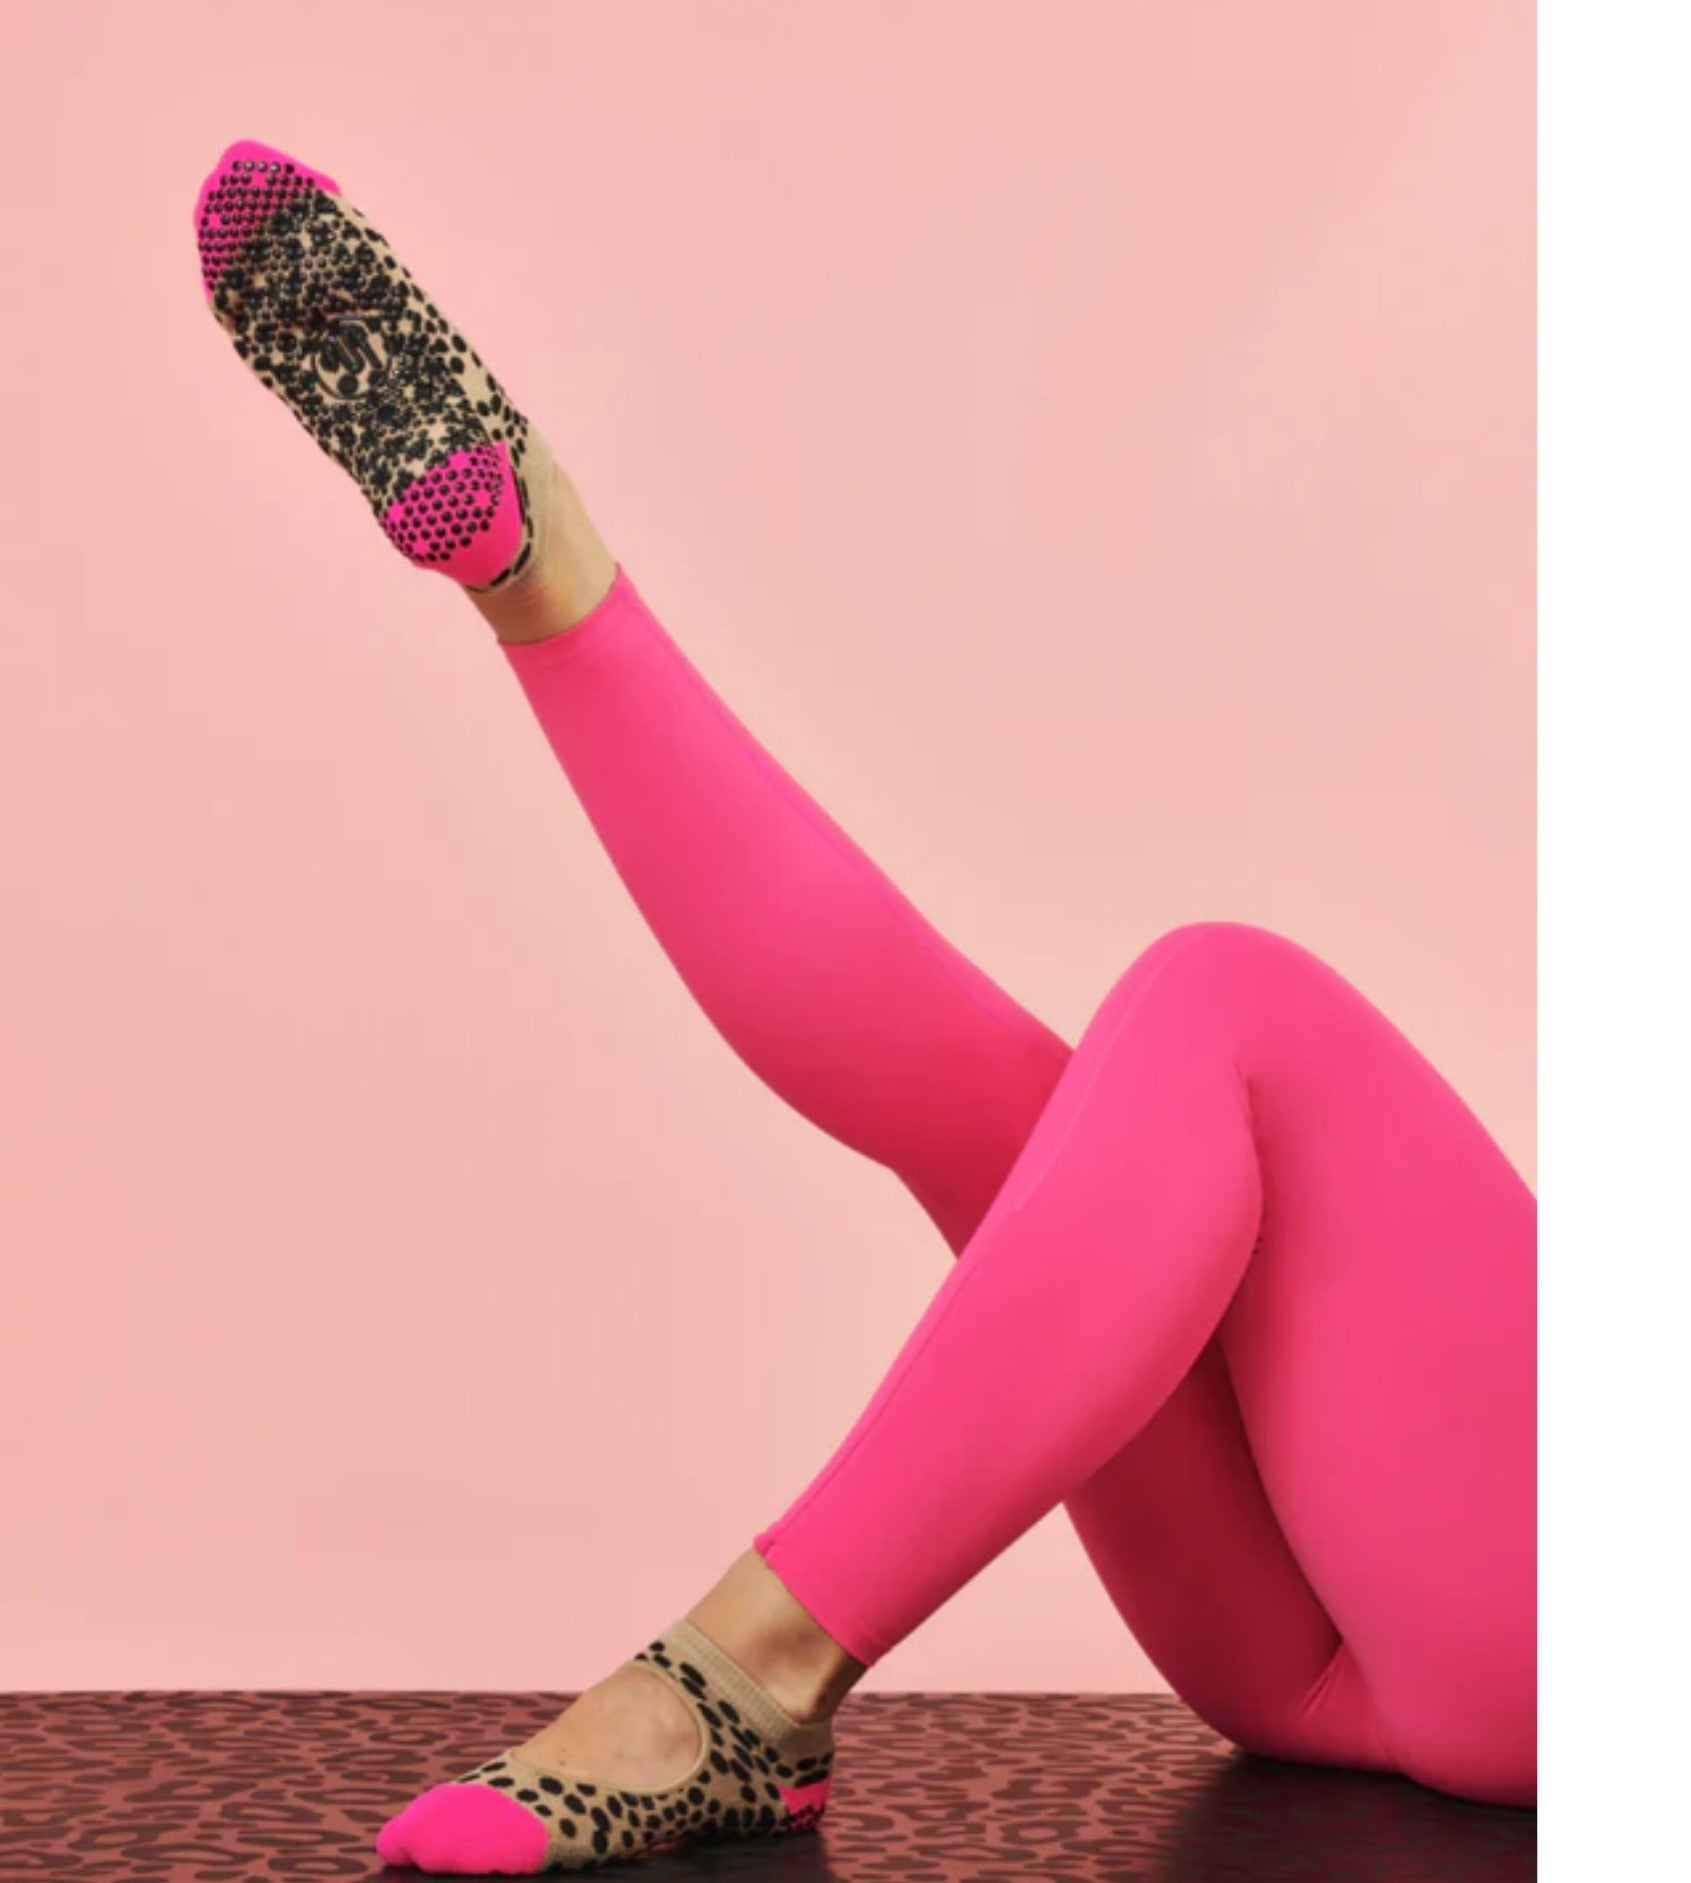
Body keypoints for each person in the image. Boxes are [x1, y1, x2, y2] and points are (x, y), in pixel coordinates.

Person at [193, 142, 1536, 1874]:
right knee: (1041, 1144)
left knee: (1229, 1013)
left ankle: (745, 1678)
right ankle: (548, 588)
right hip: (1363, 1640)